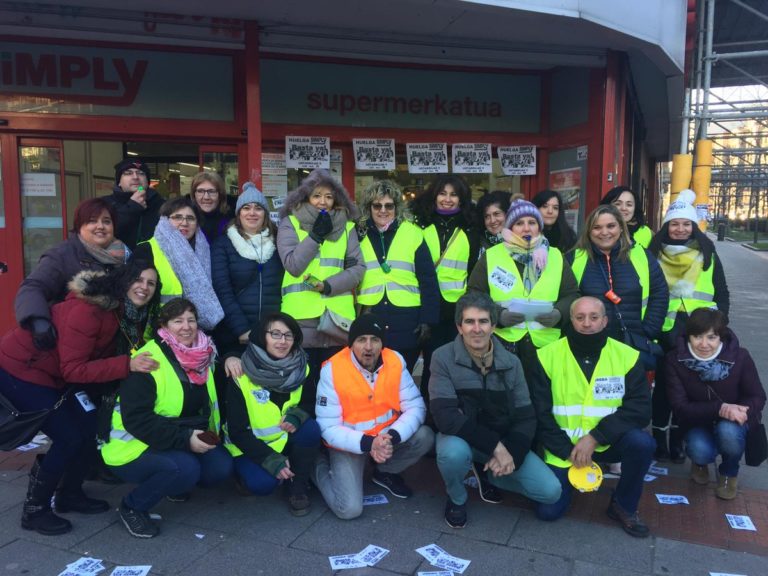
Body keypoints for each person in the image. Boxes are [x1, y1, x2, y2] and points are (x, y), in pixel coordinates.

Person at [0, 263, 160, 535]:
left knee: (89, 426)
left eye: (151, 283)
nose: (144, 287)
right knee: (69, 436)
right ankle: (35, 510)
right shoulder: (89, 311)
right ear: (122, 281)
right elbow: (73, 369)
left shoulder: (121, 312)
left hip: (54, 374)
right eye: (138, 279)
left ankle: (69, 494)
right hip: (21, 370)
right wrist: (127, 365)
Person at [102, 298, 233, 539]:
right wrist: (186, 440)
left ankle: (174, 485)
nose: (187, 326)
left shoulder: (204, 355)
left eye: (191, 320)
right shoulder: (148, 360)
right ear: (164, 325)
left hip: (180, 434)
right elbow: (137, 420)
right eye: (178, 321)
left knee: (220, 466)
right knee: (185, 468)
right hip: (132, 446)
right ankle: (132, 506)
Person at [429, 292, 562, 528]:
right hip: (463, 438)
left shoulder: (512, 363)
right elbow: (446, 417)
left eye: (483, 321)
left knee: (551, 492)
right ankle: (457, 497)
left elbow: (526, 416)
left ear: (493, 325)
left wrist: (512, 453)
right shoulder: (442, 357)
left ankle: (490, 474)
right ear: (459, 327)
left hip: (501, 441)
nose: (476, 329)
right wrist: (496, 447)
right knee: (452, 454)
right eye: (469, 322)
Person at [531, 297, 655, 537]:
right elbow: (540, 414)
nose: (587, 323)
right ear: (571, 321)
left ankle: (623, 505)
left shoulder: (627, 356)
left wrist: (595, 437)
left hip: (607, 442)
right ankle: (568, 482)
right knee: (548, 512)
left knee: (643, 443)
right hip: (563, 450)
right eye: (580, 317)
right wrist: (568, 451)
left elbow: (640, 409)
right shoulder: (547, 356)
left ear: (605, 321)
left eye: (594, 317)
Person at [314, 314, 434, 520]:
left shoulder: (394, 360)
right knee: (349, 509)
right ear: (351, 344)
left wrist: (391, 437)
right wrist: (371, 443)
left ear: (382, 344)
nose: (368, 347)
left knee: (425, 436)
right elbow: (328, 428)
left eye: (375, 340)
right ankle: (316, 465)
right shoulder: (332, 369)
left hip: (386, 439)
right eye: (361, 340)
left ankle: (383, 472)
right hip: (350, 444)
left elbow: (415, 406)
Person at [648, 189, 730, 461]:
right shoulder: (654, 254)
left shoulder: (707, 252)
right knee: (662, 390)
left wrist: (720, 326)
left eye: (686, 223)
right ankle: (660, 439)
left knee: (690, 390)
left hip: (699, 334)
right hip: (665, 332)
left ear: (693, 225)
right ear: (667, 226)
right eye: (675, 223)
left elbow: (721, 292)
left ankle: (680, 441)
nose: (681, 229)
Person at [277, 169, 364, 404]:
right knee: (303, 387)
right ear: (305, 197)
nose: (322, 201)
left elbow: (357, 269)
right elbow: (293, 265)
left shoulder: (347, 227)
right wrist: (315, 236)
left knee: (336, 388)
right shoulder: (290, 223)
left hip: (337, 320)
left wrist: (327, 286)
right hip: (300, 319)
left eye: (328, 196)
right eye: (316, 195)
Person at [468, 200, 578, 384]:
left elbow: (572, 294)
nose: (526, 228)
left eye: (532, 223)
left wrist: (559, 313)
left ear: (539, 227)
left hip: (545, 344)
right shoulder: (492, 255)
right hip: (503, 343)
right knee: (505, 401)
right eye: (519, 223)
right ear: (510, 227)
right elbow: (473, 295)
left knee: (542, 400)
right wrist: (498, 315)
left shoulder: (556, 256)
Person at [222, 312, 320, 516]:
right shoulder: (241, 372)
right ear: (261, 336)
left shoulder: (303, 367)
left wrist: (297, 415)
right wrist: (269, 459)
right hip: (247, 445)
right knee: (262, 484)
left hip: (282, 437)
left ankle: (297, 487)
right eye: (275, 334)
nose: (283, 341)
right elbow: (237, 431)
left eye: (288, 335)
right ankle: (242, 478)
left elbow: (309, 402)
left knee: (310, 429)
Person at [666, 309, 765, 500]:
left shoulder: (740, 357)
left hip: (733, 421)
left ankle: (729, 472)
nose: (704, 344)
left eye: (711, 337)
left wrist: (743, 410)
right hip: (697, 421)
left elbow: (757, 396)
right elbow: (680, 407)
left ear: (721, 337)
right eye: (697, 337)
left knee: (729, 433)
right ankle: (700, 463)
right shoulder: (674, 360)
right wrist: (720, 408)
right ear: (688, 336)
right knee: (700, 449)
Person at [15, 197, 130, 352]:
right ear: (79, 225)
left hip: (107, 348)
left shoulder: (123, 256)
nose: (100, 226)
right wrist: (39, 322)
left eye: (107, 221)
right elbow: (33, 287)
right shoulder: (62, 255)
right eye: (92, 221)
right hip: (70, 348)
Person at [568, 204, 668, 371]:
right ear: (589, 231)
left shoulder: (641, 255)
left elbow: (660, 293)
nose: (604, 232)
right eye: (597, 227)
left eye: (611, 226)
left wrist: (649, 330)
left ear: (621, 228)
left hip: (632, 343)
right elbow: (567, 297)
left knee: (632, 394)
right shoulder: (574, 258)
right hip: (588, 346)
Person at [356, 180, 439, 372]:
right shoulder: (358, 234)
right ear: (369, 208)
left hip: (407, 319)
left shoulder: (413, 233)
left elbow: (428, 280)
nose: (383, 210)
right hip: (370, 313)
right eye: (377, 205)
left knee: (402, 377)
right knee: (370, 376)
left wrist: (427, 320)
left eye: (389, 206)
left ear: (397, 207)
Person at [409, 175, 478, 400]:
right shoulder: (419, 224)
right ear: (434, 195)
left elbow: (472, 268)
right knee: (428, 364)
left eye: (453, 194)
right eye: (443, 193)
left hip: (456, 309)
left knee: (454, 364)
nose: (447, 199)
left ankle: (451, 410)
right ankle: (427, 413)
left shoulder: (470, 227)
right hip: (424, 305)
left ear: (461, 199)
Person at [212, 182, 283, 355]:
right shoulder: (223, 244)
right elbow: (222, 290)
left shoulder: (279, 242)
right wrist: (241, 329)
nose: (252, 213)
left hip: (273, 333)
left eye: (258, 208)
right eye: (246, 208)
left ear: (265, 214)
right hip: (236, 334)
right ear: (238, 213)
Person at [133, 197, 224, 331]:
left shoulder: (206, 252)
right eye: (177, 217)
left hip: (197, 333)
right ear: (165, 221)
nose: (184, 223)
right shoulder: (146, 249)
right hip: (157, 331)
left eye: (190, 218)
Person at [103, 158, 164, 251]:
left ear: (147, 182)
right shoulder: (104, 204)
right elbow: (104, 232)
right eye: (128, 173)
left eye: (141, 173)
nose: (135, 177)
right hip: (117, 262)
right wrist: (132, 207)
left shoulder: (162, 205)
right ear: (119, 182)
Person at [189, 171, 232, 243]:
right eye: (200, 191)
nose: (206, 197)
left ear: (220, 194)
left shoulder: (232, 223)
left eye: (211, 191)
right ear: (194, 195)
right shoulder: (184, 222)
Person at [532, 189, 577, 254]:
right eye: (545, 206)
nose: (550, 211)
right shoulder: (527, 233)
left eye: (555, 208)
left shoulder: (569, 237)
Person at [473, 190, 512, 259]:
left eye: (496, 214)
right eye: (487, 216)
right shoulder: (477, 245)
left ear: (508, 214)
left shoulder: (520, 242)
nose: (492, 220)